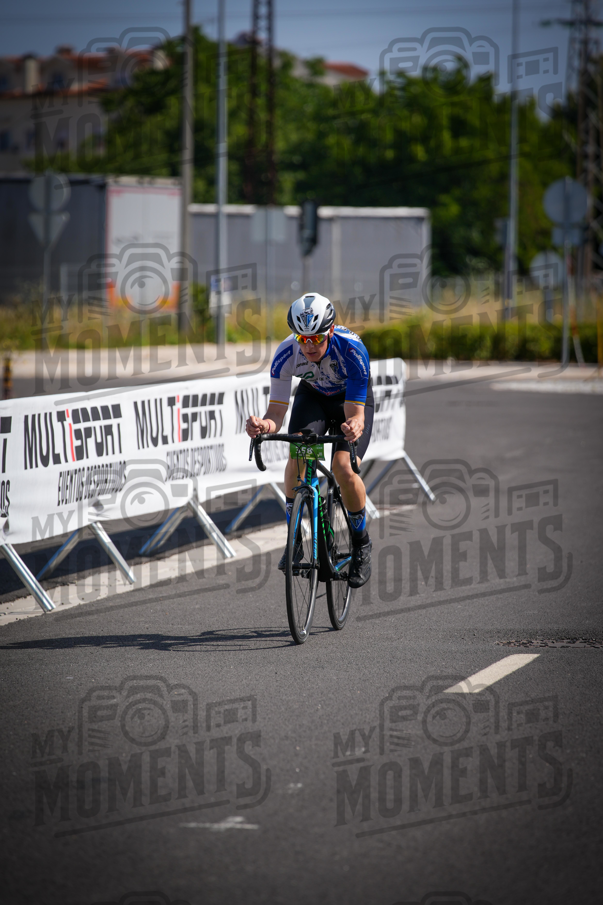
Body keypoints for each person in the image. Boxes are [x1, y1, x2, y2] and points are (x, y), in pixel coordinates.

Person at [245, 292, 373, 588]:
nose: (310, 345)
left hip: (349, 400)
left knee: (343, 467)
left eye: (316, 338)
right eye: (303, 339)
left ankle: (361, 543)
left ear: (329, 331)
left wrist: (354, 426)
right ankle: (295, 539)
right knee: (299, 455)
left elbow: (356, 415)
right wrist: (264, 425)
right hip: (313, 396)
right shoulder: (285, 354)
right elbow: (276, 411)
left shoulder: (352, 351)